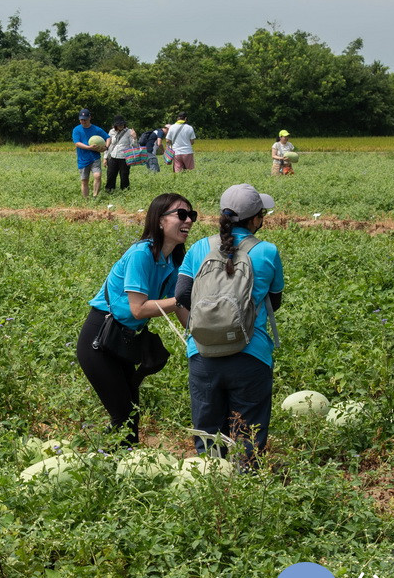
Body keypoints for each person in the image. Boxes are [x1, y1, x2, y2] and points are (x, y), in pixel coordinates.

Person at [175, 184, 283, 462]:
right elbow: (275, 301)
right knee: (249, 435)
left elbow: (181, 295)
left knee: (208, 432)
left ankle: (212, 482)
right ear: (255, 219)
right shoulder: (267, 251)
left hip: (202, 353)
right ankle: (245, 488)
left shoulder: (200, 247)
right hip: (250, 353)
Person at [77, 193, 195, 445]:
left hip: (125, 341)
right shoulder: (142, 253)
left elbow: (183, 311)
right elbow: (138, 309)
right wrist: (182, 300)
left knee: (131, 415)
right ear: (160, 221)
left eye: (192, 215)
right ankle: (112, 468)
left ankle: (112, 461)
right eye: (181, 215)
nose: (189, 221)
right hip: (100, 338)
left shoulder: (174, 261)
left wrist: (204, 339)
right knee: (123, 414)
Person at [72, 107, 107, 198]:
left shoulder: (96, 129)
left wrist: (106, 147)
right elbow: (77, 143)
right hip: (83, 159)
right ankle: (86, 199)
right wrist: (88, 147)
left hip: (95, 157)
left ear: (90, 118)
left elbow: (108, 137)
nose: (83, 121)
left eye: (85, 119)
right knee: (84, 181)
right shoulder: (76, 130)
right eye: (81, 120)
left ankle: (95, 196)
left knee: (98, 176)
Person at [104, 115, 136, 192]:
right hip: (112, 156)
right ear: (115, 125)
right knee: (111, 175)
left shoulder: (129, 132)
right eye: (119, 124)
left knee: (124, 175)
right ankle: (109, 190)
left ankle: (125, 191)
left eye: (122, 124)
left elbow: (134, 145)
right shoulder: (111, 132)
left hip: (124, 157)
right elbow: (108, 145)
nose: (121, 126)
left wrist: (134, 137)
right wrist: (105, 158)